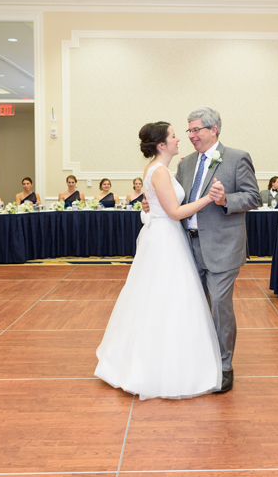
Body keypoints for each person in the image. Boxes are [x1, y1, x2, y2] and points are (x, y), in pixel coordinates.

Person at [96, 121, 222, 400]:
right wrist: (207, 199)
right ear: (162, 145)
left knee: (159, 298)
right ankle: (162, 367)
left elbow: (156, 205)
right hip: (166, 240)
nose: (179, 139)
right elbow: (175, 212)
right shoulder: (160, 172)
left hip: (164, 236)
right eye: (174, 136)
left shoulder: (159, 169)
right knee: (168, 298)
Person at [175, 107, 259, 392]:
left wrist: (225, 200)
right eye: (188, 130)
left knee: (220, 307)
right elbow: (177, 200)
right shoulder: (185, 164)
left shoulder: (237, 158)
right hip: (188, 246)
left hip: (223, 247)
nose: (190, 135)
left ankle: (224, 365)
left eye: (195, 130)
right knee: (193, 307)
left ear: (214, 130)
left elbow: (253, 197)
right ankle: (198, 359)